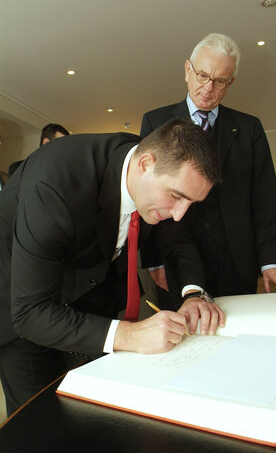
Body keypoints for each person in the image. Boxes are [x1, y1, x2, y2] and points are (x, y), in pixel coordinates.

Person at [0, 118, 224, 416]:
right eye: (176, 197)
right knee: (41, 421)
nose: (180, 214)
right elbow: (31, 313)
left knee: (94, 408)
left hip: (90, 289)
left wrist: (193, 293)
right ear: (145, 164)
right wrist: (130, 335)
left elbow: (177, 240)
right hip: (21, 309)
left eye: (191, 203)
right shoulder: (54, 185)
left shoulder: (154, 171)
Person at [140, 32, 276, 310]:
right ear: (188, 70)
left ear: (230, 83)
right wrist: (153, 258)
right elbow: (147, 194)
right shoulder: (156, 121)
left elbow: (264, 197)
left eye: (219, 81)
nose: (208, 87)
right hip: (177, 254)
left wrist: (270, 260)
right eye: (202, 75)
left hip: (237, 257)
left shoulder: (249, 128)